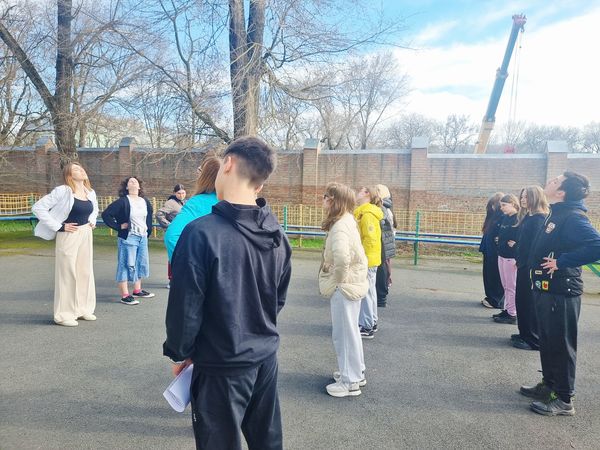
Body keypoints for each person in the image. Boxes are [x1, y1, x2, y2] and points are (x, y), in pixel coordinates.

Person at [163, 136, 292, 450]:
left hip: (219, 364)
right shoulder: (277, 234)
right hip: (264, 356)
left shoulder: (201, 233)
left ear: (229, 164)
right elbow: (277, 299)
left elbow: (186, 308)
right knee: (268, 441)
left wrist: (180, 352)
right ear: (260, 184)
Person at [520, 172, 600, 416]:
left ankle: (564, 399)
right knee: (547, 340)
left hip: (562, 292)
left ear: (562, 192)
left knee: (561, 345)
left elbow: (596, 245)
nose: (550, 181)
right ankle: (549, 385)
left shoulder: (573, 217)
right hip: (547, 289)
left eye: (555, 181)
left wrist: (562, 261)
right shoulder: (556, 212)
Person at [32, 162, 98, 327]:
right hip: (68, 235)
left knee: (85, 271)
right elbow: (38, 208)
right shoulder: (63, 191)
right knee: (67, 272)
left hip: (86, 233)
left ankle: (83, 309)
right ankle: (64, 315)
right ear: (69, 175)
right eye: (76, 169)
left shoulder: (90, 192)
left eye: (81, 168)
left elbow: (94, 210)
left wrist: (92, 220)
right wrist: (59, 226)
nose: (81, 170)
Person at [319, 182, 369, 398]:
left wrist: (337, 281)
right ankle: (356, 373)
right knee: (351, 332)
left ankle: (350, 382)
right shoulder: (347, 220)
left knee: (344, 334)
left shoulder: (340, 225)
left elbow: (341, 258)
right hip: (353, 284)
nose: (323, 200)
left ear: (334, 200)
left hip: (345, 286)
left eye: (326, 196)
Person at [102, 176, 155, 305]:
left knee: (140, 263)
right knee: (126, 264)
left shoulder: (145, 202)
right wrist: (118, 226)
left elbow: (148, 218)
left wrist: (147, 232)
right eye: (130, 181)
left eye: (135, 181)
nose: (133, 182)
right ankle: (125, 295)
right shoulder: (123, 201)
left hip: (142, 237)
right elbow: (106, 214)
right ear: (127, 187)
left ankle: (137, 290)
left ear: (139, 186)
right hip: (129, 237)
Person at [511, 186, 549, 350]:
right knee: (522, 300)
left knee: (530, 302)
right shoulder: (529, 216)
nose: (522, 199)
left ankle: (533, 339)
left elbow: (537, 246)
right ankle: (524, 333)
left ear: (536, 197)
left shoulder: (539, 219)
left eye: (526, 197)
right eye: (522, 196)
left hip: (532, 267)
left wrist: (528, 263)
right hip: (523, 265)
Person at [163, 154, 220, 261]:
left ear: (204, 176)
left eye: (199, 171)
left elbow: (172, 236)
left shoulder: (197, 203)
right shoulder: (233, 201)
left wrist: (193, 266)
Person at [354, 186, 383, 339]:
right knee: (370, 291)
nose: (357, 193)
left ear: (367, 195)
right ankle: (372, 321)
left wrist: (362, 258)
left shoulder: (367, 215)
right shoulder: (367, 213)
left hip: (367, 259)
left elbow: (370, 240)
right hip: (371, 258)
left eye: (361, 191)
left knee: (365, 292)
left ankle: (366, 325)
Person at [492, 193, 520, 324]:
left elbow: (523, 236)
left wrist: (517, 244)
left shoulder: (518, 218)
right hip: (502, 254)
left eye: (504, 205)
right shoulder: (505, 218)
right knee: (505, 285)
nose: (501, 208)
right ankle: (507, 309)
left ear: (513, 204)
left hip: (511, 257)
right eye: (501, 205)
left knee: (511, 286)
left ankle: (512, 313)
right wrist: (499, 239)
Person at [156, 184, 187, 288]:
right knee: (174, 256)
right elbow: (159, 214)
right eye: (179, 193)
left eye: (183, 193)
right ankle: (172, 279)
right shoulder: (171, 203)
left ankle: (180, 278)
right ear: (174, 193)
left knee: (182, 256)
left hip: (183, 233)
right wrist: (169, 226)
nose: (181, 195)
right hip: (174, 234)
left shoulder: (185, 202)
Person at [479, 193, 505, 309]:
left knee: (495, 275)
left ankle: (496, 299)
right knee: (488, 274)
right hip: (488, 249)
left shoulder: (502, 217)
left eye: (494, 205)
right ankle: (490, 297)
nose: (492, 208)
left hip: (495, 251)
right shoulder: (492, 217)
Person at [375, 184, 397, 308]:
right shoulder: (387, 208)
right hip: (386, 243)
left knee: (382, 268)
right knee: (385, 267)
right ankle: (382, 294)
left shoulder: (383, 209)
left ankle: (381, 297)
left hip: (383, 243)